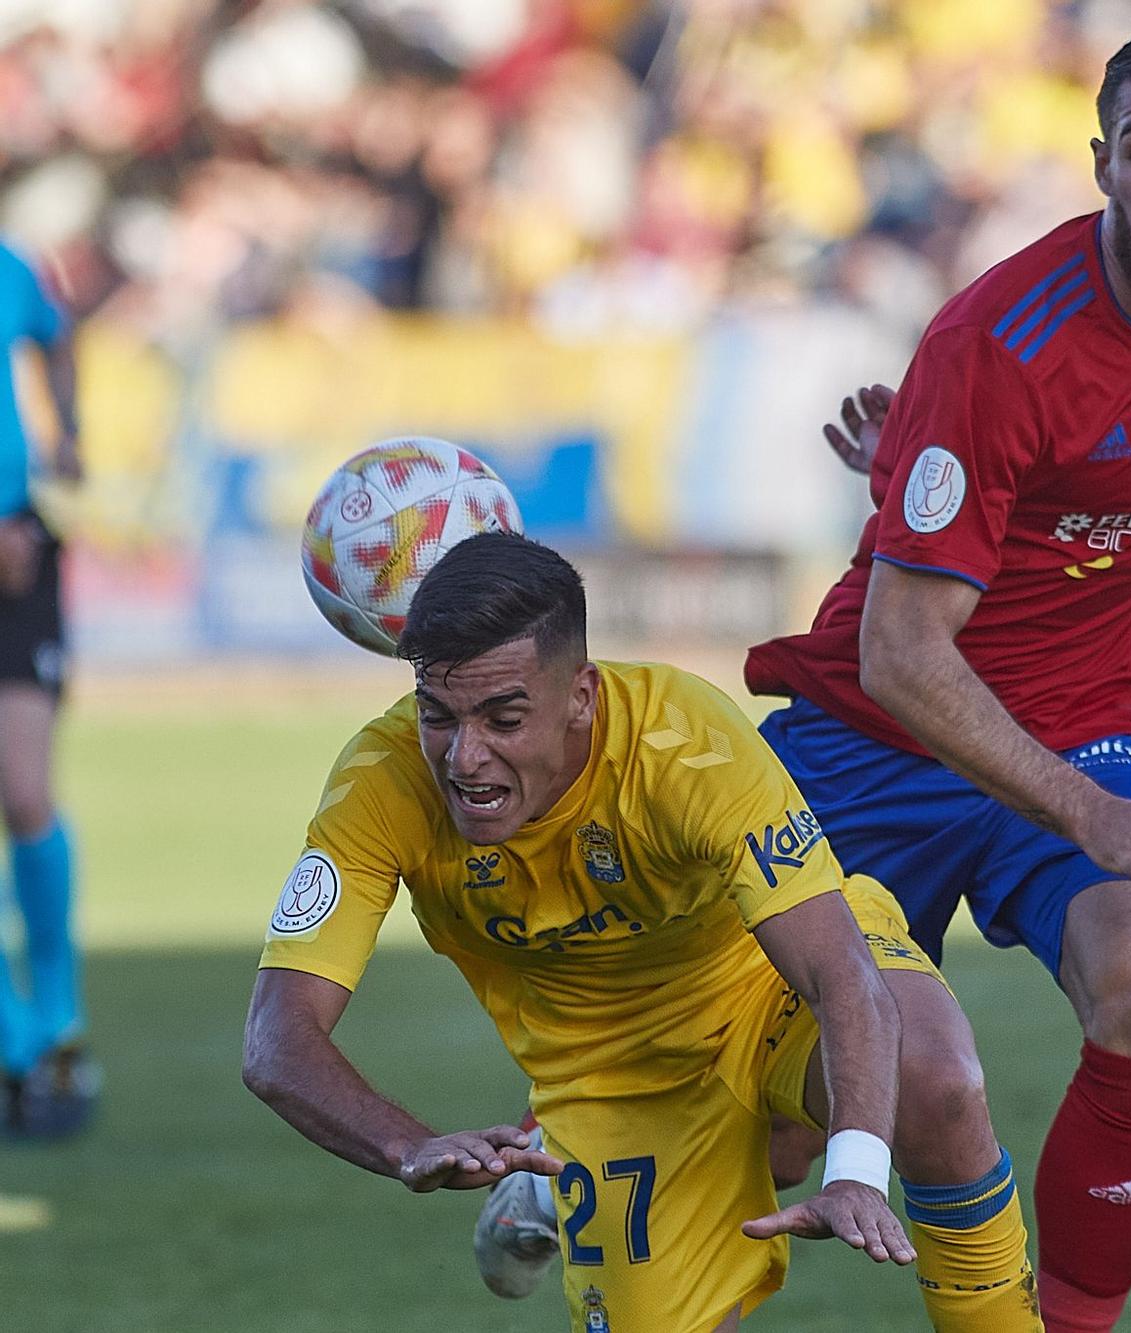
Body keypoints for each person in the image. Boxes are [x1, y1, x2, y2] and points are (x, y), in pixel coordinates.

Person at [744, 19, 1131, 1331]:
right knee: (762, 1117)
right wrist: (946, 441)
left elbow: (1085, 483)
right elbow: (900, 648)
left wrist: (935, 470)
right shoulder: (1000, 345)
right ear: (1099, 158)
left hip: (1088, 707)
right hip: (871, 731)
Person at [244, 533, 1042, 1333]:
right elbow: (277, 1039)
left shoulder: (684, 743)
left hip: (763, 984)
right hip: (613, 1076)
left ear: (582, 696)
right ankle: (558, 1176)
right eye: (439, 716)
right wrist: (404, 1144)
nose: (465, 756)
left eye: (504, 718)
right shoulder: (380, 783)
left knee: (935, 1080)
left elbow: (840, 973)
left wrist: (861, 1172)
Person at [0, 237, 91, 1138]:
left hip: (18, 557)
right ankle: (17, 1042)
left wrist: (68, 428)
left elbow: (56, 338)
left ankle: (58, 1014)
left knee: (25, 791)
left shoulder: (10, 268)